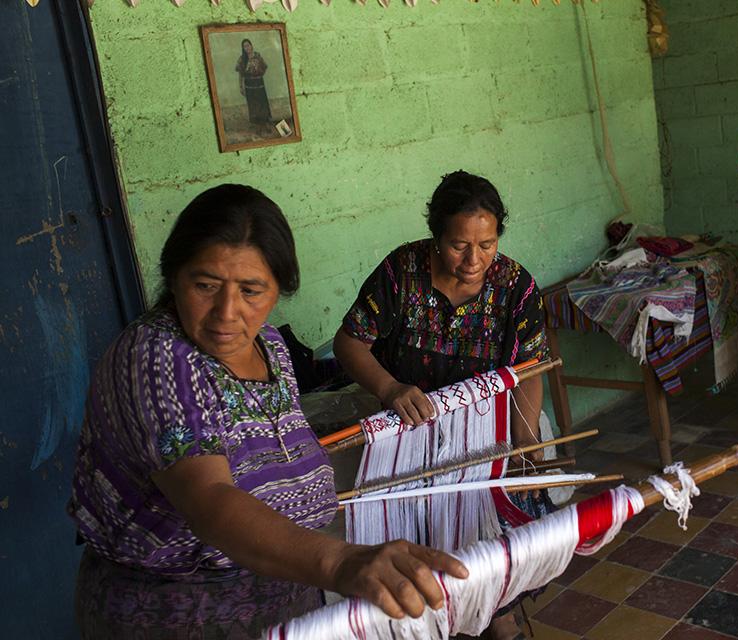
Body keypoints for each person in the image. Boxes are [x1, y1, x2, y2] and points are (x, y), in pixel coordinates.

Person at [67, 184, 467, 639]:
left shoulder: (271, 346)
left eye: (251, 290)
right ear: (173, 276)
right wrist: (342, 561)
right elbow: (211, 503)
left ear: (279, 289)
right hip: (181, 614)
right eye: (205, 286)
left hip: (286, 597)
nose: (227, 312)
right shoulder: (158, 357)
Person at [334, 170, 550, 640]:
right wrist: (391, 389)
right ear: (436, 237)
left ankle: (496, 616)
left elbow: (530, 369)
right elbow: (349, 342)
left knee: (488, 551)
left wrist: (523, 444)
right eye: (458, 245)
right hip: (407, 430)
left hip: (482, 431)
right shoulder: (401, 272)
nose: (474, 260)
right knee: (414, 541)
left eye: (487, 244)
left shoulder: (515, 288)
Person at [236, 38, 272, 132]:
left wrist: (257, 73)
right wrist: (241, 86)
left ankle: (266, 125)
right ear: (243, 49)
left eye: (248, 45)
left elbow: (264, 67)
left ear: (251, 46)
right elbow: (240, 74)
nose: (247, 47)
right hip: (249, 86)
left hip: (259, 84)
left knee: (262, 104)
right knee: (253, 106)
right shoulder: (242, 59)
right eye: (244, 46)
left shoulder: (257, 56)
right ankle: (258, 127)